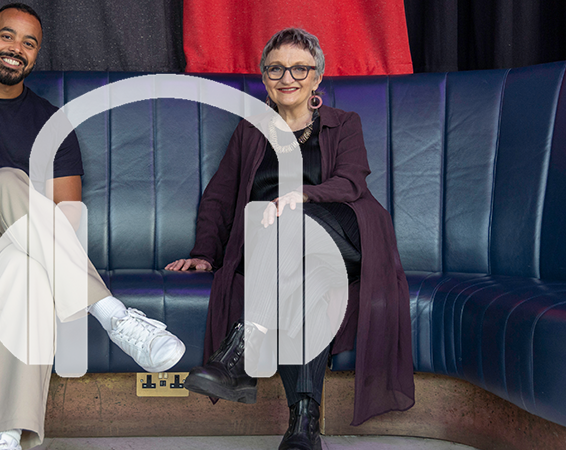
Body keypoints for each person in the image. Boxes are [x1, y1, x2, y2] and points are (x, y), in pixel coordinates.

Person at [0, 4, 185, 450]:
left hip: (14, 249)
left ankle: (7, 436)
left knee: (30, 276)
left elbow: (66, 217)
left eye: (28, 43)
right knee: (6, 180)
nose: (16, 48)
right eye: (7, 36)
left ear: (36, 55)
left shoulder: (53, 124)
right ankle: (111, 314)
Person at [166, 28, 414, 450]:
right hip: (280, 253)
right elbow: (220, 196)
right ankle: (303, 427)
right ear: (264, 77)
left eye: (300, 68)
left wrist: (300, 196)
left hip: (344, 234)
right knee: (309, 283)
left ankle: (240, 349)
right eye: (276, 68)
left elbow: (351, 182)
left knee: (294, 224)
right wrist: (204, 253)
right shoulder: (251, 132)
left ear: (317, 77)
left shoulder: (343, 123)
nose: (287, 78)